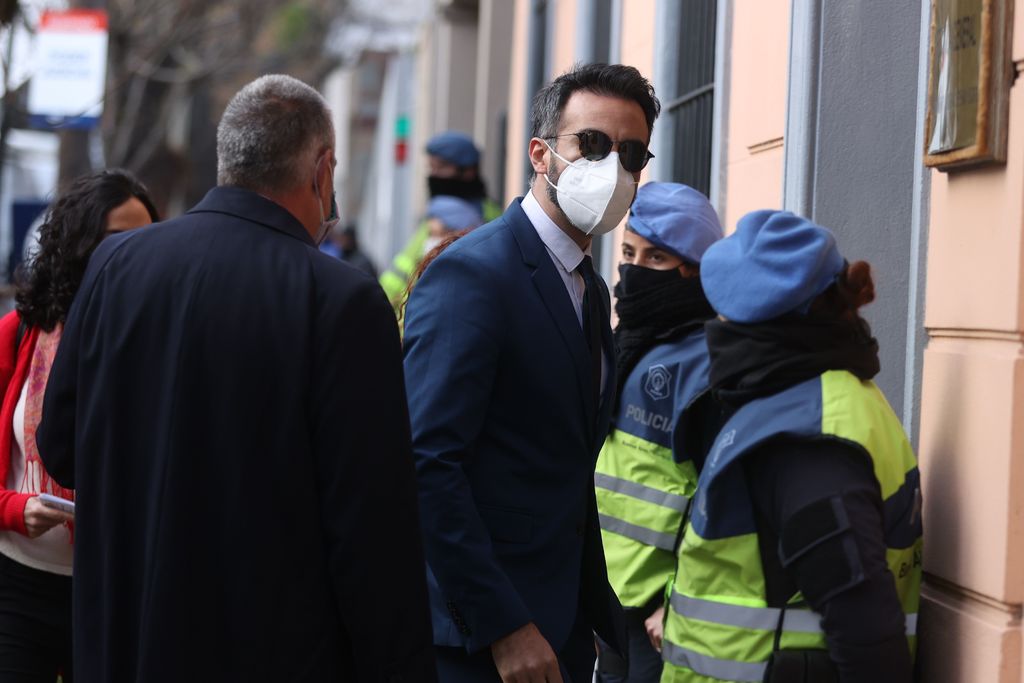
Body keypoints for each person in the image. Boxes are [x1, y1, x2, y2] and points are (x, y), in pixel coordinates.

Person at [36, 75, 436, 682]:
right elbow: (371, 530)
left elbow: (60, 448)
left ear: (229, 161)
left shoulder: (115, 265)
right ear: (322, 170)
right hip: (272, 651)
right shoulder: (342, 301)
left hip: (125, 643)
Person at [403, 62, 661, 682]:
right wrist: (502, 626)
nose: (612, 168)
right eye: (592, 144)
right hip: (481, 644)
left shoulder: (590, 288)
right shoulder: (474, 273)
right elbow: (425, 462)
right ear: (540, 154)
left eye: (630, 154)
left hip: (560, 631)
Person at [658, 211, 922, 683]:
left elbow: (866, 632)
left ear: (757, 323)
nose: (715, 325)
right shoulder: (818, 394)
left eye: (724, 311)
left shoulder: (806, 441)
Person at [0, 169, 157, 683]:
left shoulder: (159, 341)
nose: (133, 255)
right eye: (115, 241)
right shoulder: (18, 334)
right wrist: (15, 509)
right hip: (19, 585)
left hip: (115, 587)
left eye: (146, 240)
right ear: (77, 246)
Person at [592, 182, 721, 683]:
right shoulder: (623, 342)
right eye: (628, 253)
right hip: (609, 601)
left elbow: (721, 501)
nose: (635, 268)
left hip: (658, 615)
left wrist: (679, 600)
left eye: (657, 257)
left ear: (693, 269)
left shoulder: (706, 365)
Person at [379, 131, 501, 311]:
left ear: (468, 171)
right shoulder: (434, 216)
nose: (434, 175)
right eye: (431, 167)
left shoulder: (490, 220)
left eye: (441, 167)